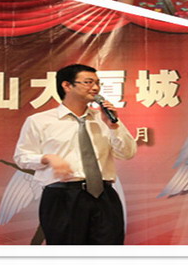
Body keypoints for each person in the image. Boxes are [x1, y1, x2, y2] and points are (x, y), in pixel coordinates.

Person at [13, 63, 136, 245]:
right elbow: (21, 157)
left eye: (97, 83)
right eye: (88, 82)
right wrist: (46, 158)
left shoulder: (104, 118)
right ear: (67, 85)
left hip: (104, 196)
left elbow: (127, 153)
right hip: (62, 197)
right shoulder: (39, 121)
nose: (95, 88)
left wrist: (113, 126)